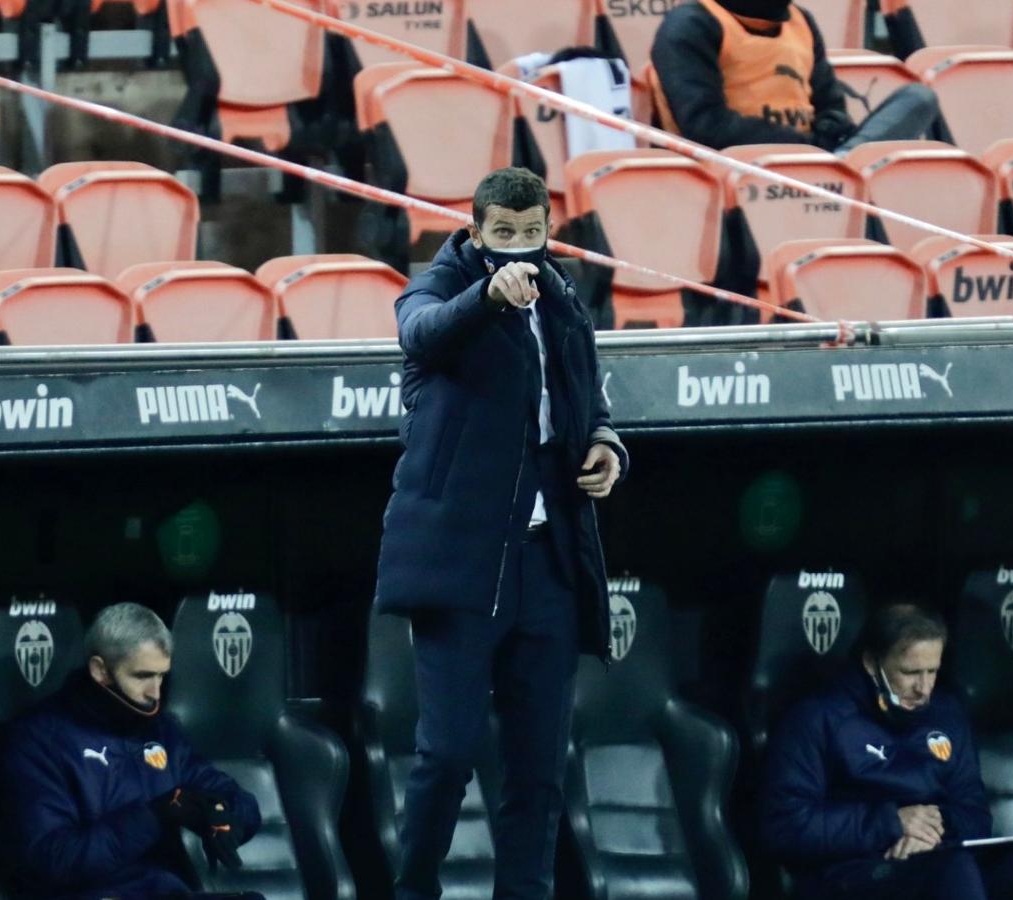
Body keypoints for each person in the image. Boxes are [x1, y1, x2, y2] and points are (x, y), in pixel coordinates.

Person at [374, 166, 628, 900]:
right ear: (476, 228)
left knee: (539, 768)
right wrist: (485, 297)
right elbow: (421, 334)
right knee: (447, 756)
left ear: (549, 227)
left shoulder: (563, 298)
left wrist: (609, 445)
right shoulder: (437, 288)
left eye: (533, 233)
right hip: (463, 565)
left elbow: (590, 396)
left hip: (546, 562)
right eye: (504, 235)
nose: (520, 249)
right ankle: (414, 888)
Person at [760, 602, 1013, 900]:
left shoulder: (948, 714)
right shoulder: (817, 719)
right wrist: (891, 824)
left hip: (936, 856)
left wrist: (931, 833)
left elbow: (974, 813)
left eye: (932, 671)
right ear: (872, 663)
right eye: (910, 672)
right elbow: (785, 828)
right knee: (951, 869)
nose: (924, 687)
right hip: (851, 869)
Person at [0, 602, 264, 900]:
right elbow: (52, 860)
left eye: (161, 676)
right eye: (142, 676)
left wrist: (226, 819)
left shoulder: (162, 731)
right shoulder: (37, 739)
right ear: (100, 670)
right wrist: (154, 815)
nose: (155, 692)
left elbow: (227, 794)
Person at [649, 0, 940, 153]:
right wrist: (805, 147)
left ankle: (842, 164)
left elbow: (831, 104)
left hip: (816, 155)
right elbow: (706, 126)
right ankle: (839, 168)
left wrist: (827, 136)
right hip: (739, 165)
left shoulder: (801, 21)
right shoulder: (691, 23)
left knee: (919, 98)